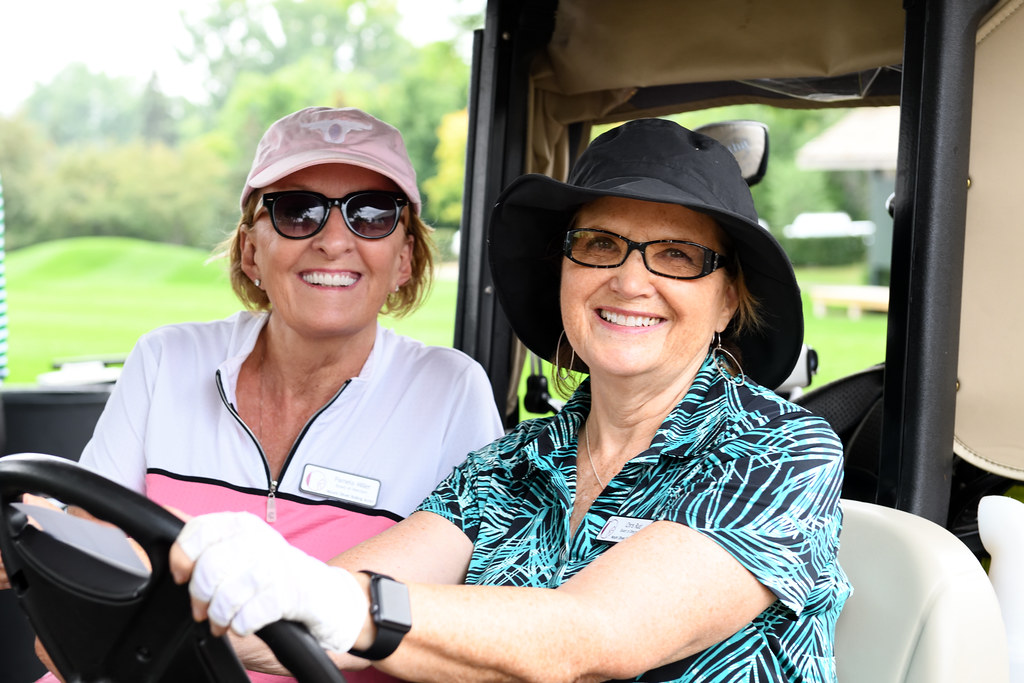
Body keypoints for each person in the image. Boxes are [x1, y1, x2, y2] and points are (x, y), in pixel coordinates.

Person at [170, 117, 850, 682]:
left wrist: (327, 599)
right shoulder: (508, 468)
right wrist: (199, 592)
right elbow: (309, 620)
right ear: (565, 271)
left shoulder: (779, 453)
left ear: (728, 297)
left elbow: (592, 635)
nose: (629, 280)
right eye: (600, 245)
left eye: (676, 255)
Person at [3, 106, 504, 683]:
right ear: (250, 251)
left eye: (370, 214)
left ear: (405, 259)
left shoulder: (450, 390)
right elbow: (77, 581)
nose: (334, 241)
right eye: (298, 212)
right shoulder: (167, 359)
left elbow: (461, 625)